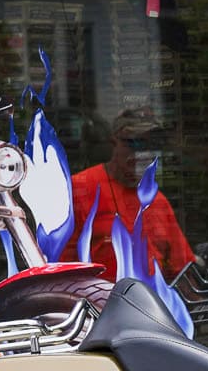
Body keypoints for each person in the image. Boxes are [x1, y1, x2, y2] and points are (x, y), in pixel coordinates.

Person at [63, 106, 195, 279]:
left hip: (151, 295)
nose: (143, 153)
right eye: (135, 143)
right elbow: (59, 271)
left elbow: (183, 272)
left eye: (151, 145)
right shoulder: (78, 188)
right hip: (100, 295)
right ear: (113, 144)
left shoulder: (157, 200)